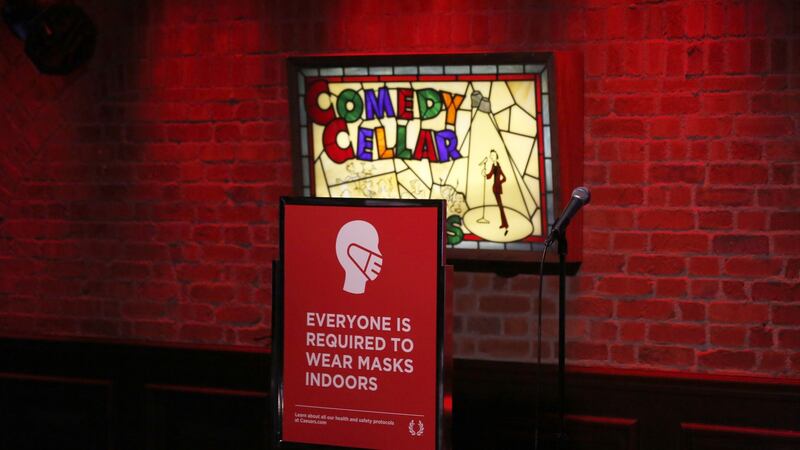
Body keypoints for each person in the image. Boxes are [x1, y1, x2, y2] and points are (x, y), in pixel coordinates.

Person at [484, 149, 509, 233]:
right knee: (500, 207)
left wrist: (499, 183)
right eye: (491, 155)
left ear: (496, 156)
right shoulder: (494, 165)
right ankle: (504, 224)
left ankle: (505, 224)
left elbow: (504, 178)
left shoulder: (497, 165)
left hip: (497, 188)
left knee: (500, 207)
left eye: (493, 155)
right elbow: (490, 175)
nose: (492, 157)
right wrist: (485, 175)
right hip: (495, 188)